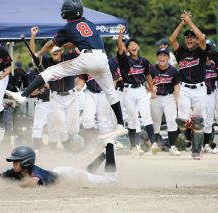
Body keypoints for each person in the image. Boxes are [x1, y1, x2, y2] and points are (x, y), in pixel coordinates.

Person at [9, 0, 126, 141]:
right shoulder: (89, 23)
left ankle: (23, 95)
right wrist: (66, 45)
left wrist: (40, 53)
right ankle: (120, 124)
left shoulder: (69, 27)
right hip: (102, 58)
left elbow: (52, 43)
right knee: (111, 94)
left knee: (49, 72)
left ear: (65, 13)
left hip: (87, 58)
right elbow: (74, 41)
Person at [28, 26, 80, 151]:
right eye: (51, 48)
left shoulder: (69, 57)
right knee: (61, 127)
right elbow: (34, 55)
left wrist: (66, 41)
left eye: (56, 48)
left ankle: (73, 144)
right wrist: (33, 36)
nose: (54, 50)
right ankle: (69, 152)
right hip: (56, 97)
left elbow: (78, 46)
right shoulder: (46, 61)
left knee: (74, 129)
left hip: (72, 96)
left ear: (61, 50)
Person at [170, 11, 207, 160]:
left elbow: (203, 38)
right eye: (187, 37)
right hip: (185, 88)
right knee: (181, 120)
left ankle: (196, 151)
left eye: (192, 37)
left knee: (198, 121)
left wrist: (190, 22)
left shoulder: (201, 51)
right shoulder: (181, 52)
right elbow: (172, 39)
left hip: (199, 89)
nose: (189, 39)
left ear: (196, 40)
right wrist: (182, 23)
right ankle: (188, 138)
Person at [116, 25, 158, 155]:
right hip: (128, 91)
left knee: (146, 116)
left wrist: (152, 90)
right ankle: (134, 147)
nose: (133, 46)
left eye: (135, 44)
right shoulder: (124, 60)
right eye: (130, 45)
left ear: (138, 47)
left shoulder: (144, 61)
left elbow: (148, 76)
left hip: (141, 90)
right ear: (127, 49)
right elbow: (119, 47)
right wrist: (120, 35)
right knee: (132, 118)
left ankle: (154, 144)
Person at [0, 144, 118, 186]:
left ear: (27, 162)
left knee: (111, 180)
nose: (13, 164)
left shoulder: (35, 172)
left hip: (69, 175)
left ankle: (110, 145)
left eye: (16, 161)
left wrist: (14, 185)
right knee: (85, 174)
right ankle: (105, 152)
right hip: (59, 172)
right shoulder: (16, 171)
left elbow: (32, 182)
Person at [150, 48, 180, 156]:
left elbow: (176, 86)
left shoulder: (173, 71)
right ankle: (154, 147)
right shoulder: (152, 69)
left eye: (164, 55)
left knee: (172, 121)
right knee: (155, 123)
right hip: (155, 98)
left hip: (169, 97)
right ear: (157, 57)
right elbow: (146, 83)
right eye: (160, 55)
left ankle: (173, 147)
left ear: (168, 57)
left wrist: (177, 100)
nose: (162, 58)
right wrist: (150, 87)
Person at [203, 40, 217, 153]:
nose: (208, 52)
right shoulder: (198, 64)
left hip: (211, 95)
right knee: (199, 120)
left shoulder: (215, 65)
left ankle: (206, 144)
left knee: (209, 121)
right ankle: (195, 144)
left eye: (209, 50)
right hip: (200, 95)